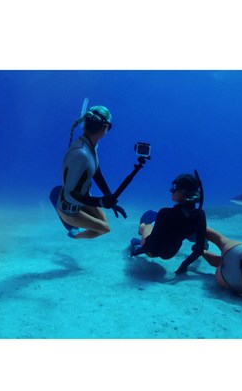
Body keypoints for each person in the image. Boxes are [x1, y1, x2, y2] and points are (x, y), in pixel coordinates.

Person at [53, 105, 127, 239]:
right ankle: (74, 234)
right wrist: (100, 202)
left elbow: (97, 172)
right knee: (105, 229)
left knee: (103, 221)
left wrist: (109, 197)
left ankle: (76, 219)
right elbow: (71, 194)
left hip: (81, 197)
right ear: (105, 128)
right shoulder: (81, 154)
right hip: (69, 207)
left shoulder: (90, 146)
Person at [130, 172, 207, 274]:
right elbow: (199, 249)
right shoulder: (200, 214)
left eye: (175, 188)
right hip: (171, 253)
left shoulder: (165, 213)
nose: (172, 191)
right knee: (154, 215)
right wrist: (183, 266)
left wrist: (137, 251)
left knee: (146, 224)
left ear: (182, 192)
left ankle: (140, 234)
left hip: (153, 252)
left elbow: (151, 244)